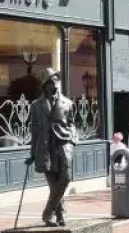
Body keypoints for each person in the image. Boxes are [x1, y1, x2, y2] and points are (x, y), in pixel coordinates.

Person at [27, 68, 75, 227]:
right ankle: (60, 215)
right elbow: (34, 131)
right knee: (54, 184)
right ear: (45, 85)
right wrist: (33, 153)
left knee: (66, 178)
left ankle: (47, 212)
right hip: (45, 148)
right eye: (50, 82)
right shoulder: (36, 105)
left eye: (55, 81)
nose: (53, 85)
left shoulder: (68, 103)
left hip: (63, 145)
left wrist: (73, 139)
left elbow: (72, 124)